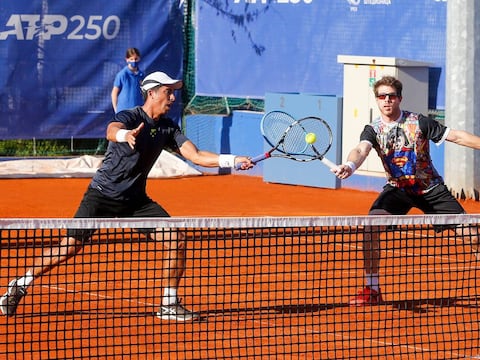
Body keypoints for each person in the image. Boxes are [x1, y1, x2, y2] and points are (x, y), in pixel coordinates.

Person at [0, 71, 253, 321]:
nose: (173, 98)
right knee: (69, 247)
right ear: (152, 93)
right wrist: (125, 135)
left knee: (175, 238)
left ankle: (168, 304)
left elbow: (196, 156)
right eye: (168, 92)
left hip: (136, 202)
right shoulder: (131, 116)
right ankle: (19, 284)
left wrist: (233, 160)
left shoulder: (168, 127)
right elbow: (112, 129)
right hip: (102, 195)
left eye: (173, 92)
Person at [333, 75, 480, 306]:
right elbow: (360, 150)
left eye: (391, 96)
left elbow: (458, 137)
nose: (387, 100)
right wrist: (350, 165)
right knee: (371, 226)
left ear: (399, 98)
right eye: (382, 96)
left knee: (472, 235)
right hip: (397, 190)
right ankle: (372, 289)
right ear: (377, 100)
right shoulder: (373, 129)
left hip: (430, 188)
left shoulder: (419, 122)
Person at [111, 47, 145, 113]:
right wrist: (116, 110)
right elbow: (114, 93)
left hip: (138, 111)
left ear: (139, 58)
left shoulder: (141, 75)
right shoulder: (122, 74)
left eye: (136, 59)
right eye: (131, 59)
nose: (134, 61)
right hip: (124, 111)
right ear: (127, 60)